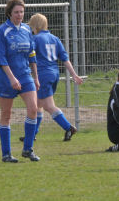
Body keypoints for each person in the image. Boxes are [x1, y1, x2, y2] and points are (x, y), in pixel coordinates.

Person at [18, 13, 83, 143]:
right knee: (38, 105)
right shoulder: (55, 38)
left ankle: (68, 127)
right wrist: (74, 74)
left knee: (47, 105)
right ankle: (32, 135)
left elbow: (29, 56)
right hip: (54, 74)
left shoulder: (35, 39)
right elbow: (65, 59)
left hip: (43, 74)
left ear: (35, 25)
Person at [0, 0, 40, 162]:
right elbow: (0, 58)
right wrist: (12, 78)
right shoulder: (2, 31)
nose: (19, 15)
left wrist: (35, 77)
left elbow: (32, 54)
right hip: (6, 77)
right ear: (9, 13)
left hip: (25, 75)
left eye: (22, 12)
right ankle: (6, 154)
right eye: (16, 12)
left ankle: (28, 149)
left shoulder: (26, 30)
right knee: (6, 114)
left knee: (33, 109)